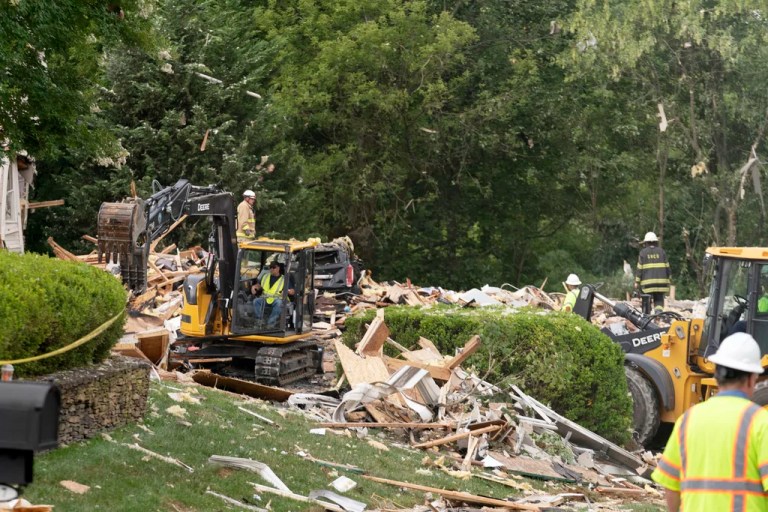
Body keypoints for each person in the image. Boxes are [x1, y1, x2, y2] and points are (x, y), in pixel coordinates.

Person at [652, 332, 768, 511]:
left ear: (716, 374)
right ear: (752, 378)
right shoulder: (760, 422)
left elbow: (671, 486)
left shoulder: (688, 420)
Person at [634, 231, 671, 314]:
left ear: (646, 243)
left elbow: (639, 269)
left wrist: (637, 282)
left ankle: (647, 315)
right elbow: (668, 268)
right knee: (659, 299)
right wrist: (669, 279)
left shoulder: (643, 253)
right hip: (661, 283)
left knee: (646, 299)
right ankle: (658, 313)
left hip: (647, 285)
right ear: (656, 242)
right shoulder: (662, 251)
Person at [251, 261, 294, 328]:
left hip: (277, 299)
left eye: (274, 267)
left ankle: (270, 323)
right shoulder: (265, 276)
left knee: (279, 303)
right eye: (270, 267)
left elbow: (292, 291)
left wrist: (287, 291)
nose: (271, 269)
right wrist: (254, 287)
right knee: (256, 301)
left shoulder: (284, 279)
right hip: (265, 299)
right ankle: (260, 321)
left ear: (278, 268)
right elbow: (259, 285)